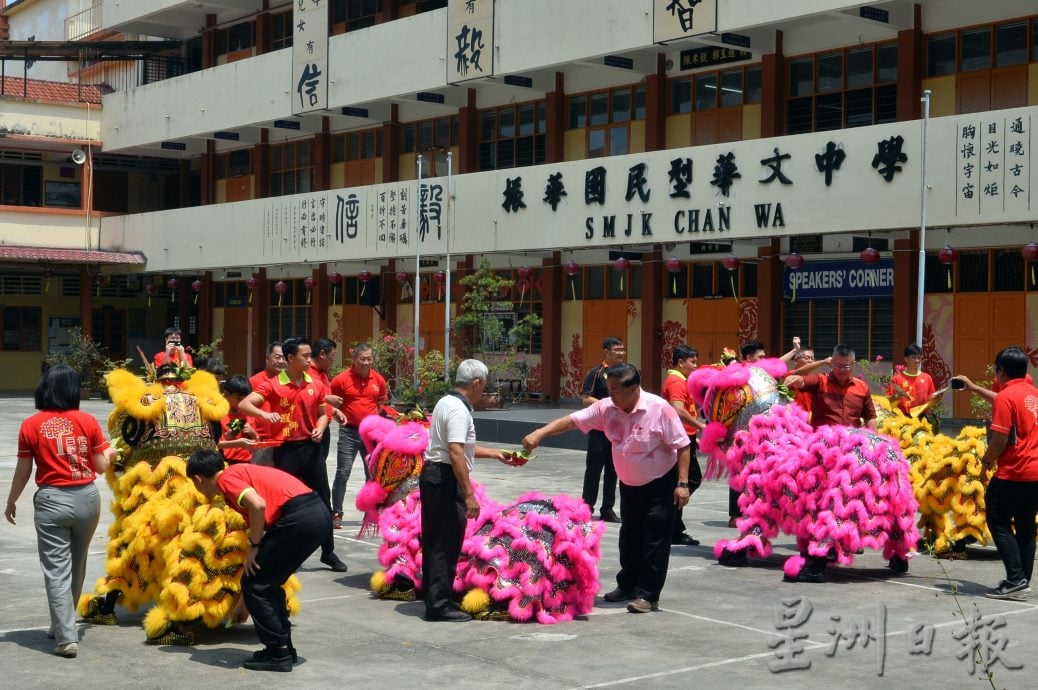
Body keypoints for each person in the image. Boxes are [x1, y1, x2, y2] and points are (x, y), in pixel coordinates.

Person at [523, 364, 691, 614]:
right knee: (629, 537)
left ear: (634, 388)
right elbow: (572, 421)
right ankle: (627, 586)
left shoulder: (659, 409)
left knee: (654, 539)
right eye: (609, 389)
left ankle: (648, 595)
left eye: (615, 390)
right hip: (630, 485)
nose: (611, 395)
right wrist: (540, 433)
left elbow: (683, 445)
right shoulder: (607, 408)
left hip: (660, 483)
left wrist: (682, 484)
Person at [5, 365, 116, 658]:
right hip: (88, 498)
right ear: (72, 391)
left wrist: (11, 500)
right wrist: (112, 452)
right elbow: (102, 466)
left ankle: (66, 637)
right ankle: (61, 623)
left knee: (56, 570)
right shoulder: (88, 420)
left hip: (52, 500)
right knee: (77, 565)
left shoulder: (31, 424)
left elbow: (23, 471)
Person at [187, 450, 329, 672]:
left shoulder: (227, 479)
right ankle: (283, 648)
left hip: (299, 517)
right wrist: (245, 603)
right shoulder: (238, 473)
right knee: (265, 581)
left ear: (198, 479)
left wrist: (253, 548)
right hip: (316, 514)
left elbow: (258, 505)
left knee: (259, 584)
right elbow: (260, 539)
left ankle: (277, 653)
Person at [238, 337, 347, 573]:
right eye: (305, 356)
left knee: (323, 501)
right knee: (284, 504)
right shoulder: (274, 384)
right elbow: (245, 405)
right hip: (286, 451)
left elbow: (321, 413)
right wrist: (265, 416)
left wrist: (321, 426)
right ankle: (282, 552)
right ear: (290, 359)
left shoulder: (315, 384)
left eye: (310, 355)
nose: (310, 359)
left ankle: (328, 553)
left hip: (312, 449)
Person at [420, 359, 510, 622]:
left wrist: (495, 453)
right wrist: (469, 494)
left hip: (434, 474)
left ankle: (434, 594)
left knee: (435, 538)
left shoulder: (445, 403)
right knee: (445, 543)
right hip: (445, 478)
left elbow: (462, 448)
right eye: (484, 385)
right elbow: (456, 453)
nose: (484, 391)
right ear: (476, 383)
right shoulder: (459, 410)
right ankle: (438, 605)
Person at [974, 347, 1038, 600]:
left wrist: (986, 461)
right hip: (1035, 472)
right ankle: (1023, 579)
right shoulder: (1034, 393)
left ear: (1001, 370)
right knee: (1025, 525)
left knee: (998, 520)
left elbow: (999, 440)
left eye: (995, 370)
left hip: (1015, 470)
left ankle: (1014, 578)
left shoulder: (1006, 397)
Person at [329, 342, 388, 529]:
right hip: (348, 432)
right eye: (362, 359)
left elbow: (379, 404)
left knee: (371, 474)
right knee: (343, 472)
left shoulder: (378, 380)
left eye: (369, 359)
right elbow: (331, 404)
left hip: (371, 435)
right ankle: (336, 513)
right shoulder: (340, 380)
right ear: (354, 359)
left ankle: (370, 513)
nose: (366, 362)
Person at [662, 345, 704, 546]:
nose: (696, 366)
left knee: (687, 481)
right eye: (693, 362)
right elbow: (677, 410)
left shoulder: (680, 380)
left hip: (686, 437)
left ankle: (674, 527)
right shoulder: (677, 381)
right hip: (680, 441)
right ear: (681, 362)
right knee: (687, 481)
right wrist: (700, 426)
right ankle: (671, 525)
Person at [580, 336, 626, 523]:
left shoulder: (626, 373)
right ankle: (586, 507)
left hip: (618, 431)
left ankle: (607, 508)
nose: (621, 353)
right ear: (606, 352)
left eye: (622, 349)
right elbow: (585, 399)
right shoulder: (596, 373)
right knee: (594, 470)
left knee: (613, 470)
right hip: (599, 430)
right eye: (617, 349)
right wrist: (608, 406)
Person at [784, 344, 878, 430]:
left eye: (846, 366)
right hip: (822, 442)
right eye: (838, 366)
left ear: (853, 363)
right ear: (831, 362)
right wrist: (797, 379)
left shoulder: (862, 387)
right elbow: (803, 381)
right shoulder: (820, 380)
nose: (841, 370)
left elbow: (869, 417)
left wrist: (874, 441)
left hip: (852, 442)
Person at [250, 341, 285, 466]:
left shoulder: (290, 382)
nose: (281, 361)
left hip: (285, 440)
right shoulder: (254, 381)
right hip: (262, 440)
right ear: (267, 359)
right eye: (277, 357)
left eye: (284, 357)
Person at [887, 343, 937, 416]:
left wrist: (935, 398)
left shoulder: (927, 378)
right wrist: (897, 396)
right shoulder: (897, 379)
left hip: (922, 418)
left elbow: (931, 399)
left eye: (919, 358)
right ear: (906, 359)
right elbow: (889, 402)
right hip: (901, 418)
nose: (917, 361)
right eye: (914, 357)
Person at [219, 375, 258, 464]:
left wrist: (253, 433)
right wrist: (228, 436)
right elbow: (213, 444)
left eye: (246, 399)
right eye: (239, 399)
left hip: (246, 461)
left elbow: (256, 442)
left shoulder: (249, 413)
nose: (242, 403)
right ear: (226, 394)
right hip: (225, 461)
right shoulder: (218, 413)